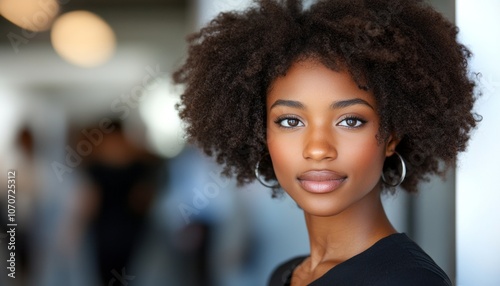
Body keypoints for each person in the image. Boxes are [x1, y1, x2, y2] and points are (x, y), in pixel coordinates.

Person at [173, 0, 479, 285]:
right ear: (260, 132)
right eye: (290, 121)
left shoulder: (409, 280)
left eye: (350, 121)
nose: (318, 149)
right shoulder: (286, 274)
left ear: (391, 136)